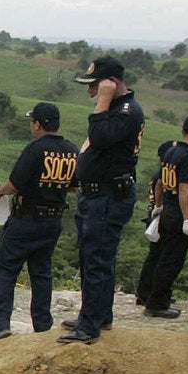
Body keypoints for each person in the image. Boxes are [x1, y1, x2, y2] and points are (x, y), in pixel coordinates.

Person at [59, 57, 145, 345]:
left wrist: (104, 99)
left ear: (113, 82)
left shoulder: (125, 110)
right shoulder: (118, 109)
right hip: (96, 194)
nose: (91, 91)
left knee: (97, 259)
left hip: (108, 196)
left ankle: (89, 326)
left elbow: (97, 135)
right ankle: (97, 314)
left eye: (95, 85)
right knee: (92, 258)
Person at [0, 102, 77, 340]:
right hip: (53, 220)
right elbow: (76, 186)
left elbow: (14, 185)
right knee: (42, 272)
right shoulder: (71, 150)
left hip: (26, 218)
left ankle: (1, 325)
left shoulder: (35, 149)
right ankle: (43, 326)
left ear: (38, 124)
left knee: (5, 269)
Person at [134, 115, 188, 317]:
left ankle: (151, 296)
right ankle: (157, 303)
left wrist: (158, 206)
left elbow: (160, 184)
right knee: (172, 260)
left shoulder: (171, 151)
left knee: (159, 257)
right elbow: (184, 190)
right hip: (177, 215)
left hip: (166, 212)